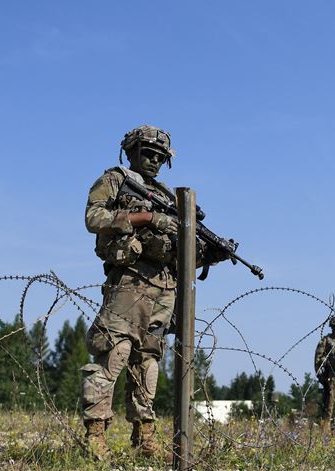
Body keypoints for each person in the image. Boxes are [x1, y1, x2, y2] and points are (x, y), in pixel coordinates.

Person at [81, 125, 225, 458]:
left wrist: (209, 255)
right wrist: (146, 218)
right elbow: (93, 217)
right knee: (113, 354)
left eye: (161, 157)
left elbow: (180, 251)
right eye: (148, 154)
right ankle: (95, 435)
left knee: (148, 362)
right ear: (130, 151)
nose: (155, 162)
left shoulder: (166, 194)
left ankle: (144, 436)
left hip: (164, 286)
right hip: (129, 281)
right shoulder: (116, 179)